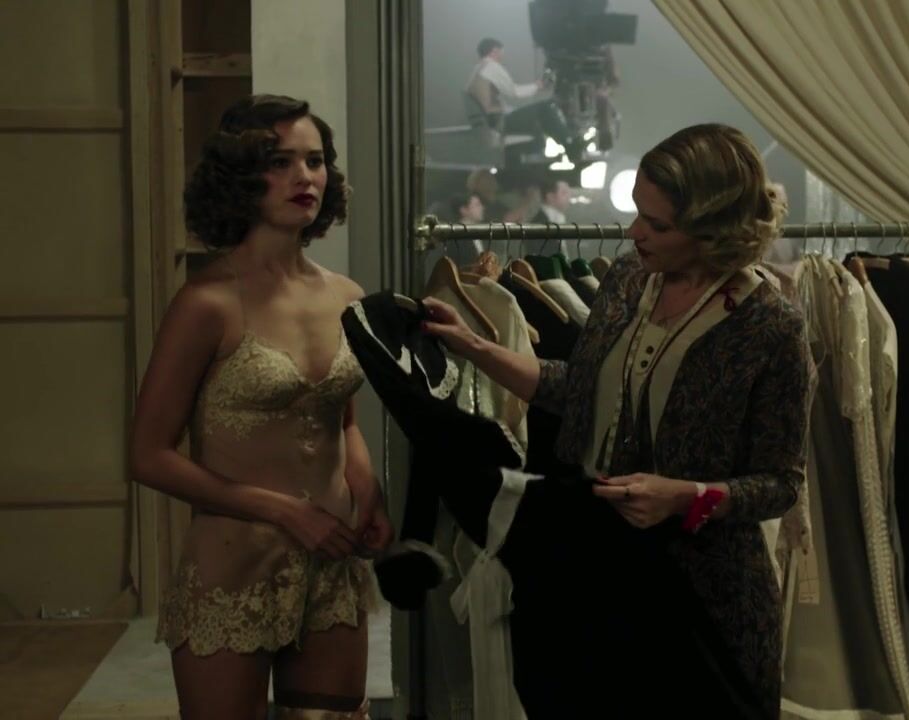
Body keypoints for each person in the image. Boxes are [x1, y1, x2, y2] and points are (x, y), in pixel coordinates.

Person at [420, 123, 816, 717]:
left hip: (703, 596)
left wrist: (686, 498)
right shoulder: (630, 280)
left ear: (714, 228)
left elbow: (781, 483)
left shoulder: (770, 327)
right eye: (637, 213)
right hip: (596, 570)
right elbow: (579, 390)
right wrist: (476, 347)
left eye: (657, 224)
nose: (635, 232)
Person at [129, 94, 391, 720]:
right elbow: (146, 455)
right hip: (232, 570)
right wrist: (284, 511)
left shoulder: (347, 297)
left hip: (330, 568)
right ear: (240, 176)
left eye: (315, 161)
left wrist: (368, 487)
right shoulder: (207, 302)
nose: (306, 177)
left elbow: (342, 418)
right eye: (281, 162)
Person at [464, 37, 547, 130]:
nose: (502, 56)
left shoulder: (477, 68)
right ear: (494, 51)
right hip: (496, 118)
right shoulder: (492, 67)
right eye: (502, 52)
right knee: (539, 115)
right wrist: (537, 86)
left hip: (485, 118)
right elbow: (514, 92)